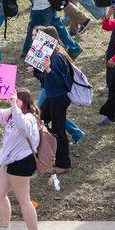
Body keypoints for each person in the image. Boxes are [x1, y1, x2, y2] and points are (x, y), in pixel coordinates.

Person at [0, 90, 42, 230]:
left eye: (16, 99)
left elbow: (22, 126)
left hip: (22, 161)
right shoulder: (12, 113)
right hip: (9, 161)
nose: (12, 101)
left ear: (24, 102)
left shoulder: (30, 118)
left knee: (24, 200)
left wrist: (14, 106)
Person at [35, 40, 75, 174]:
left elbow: (59, 82)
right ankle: (43, 153)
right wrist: (36, 72)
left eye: (36, 37)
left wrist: (48, 69)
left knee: (59, 130)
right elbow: (46, 82)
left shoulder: (57, 57)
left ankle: (64, 164)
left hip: (59, 98)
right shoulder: (48, 56)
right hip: (52, 97)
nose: (34, 40)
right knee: (39, 120)